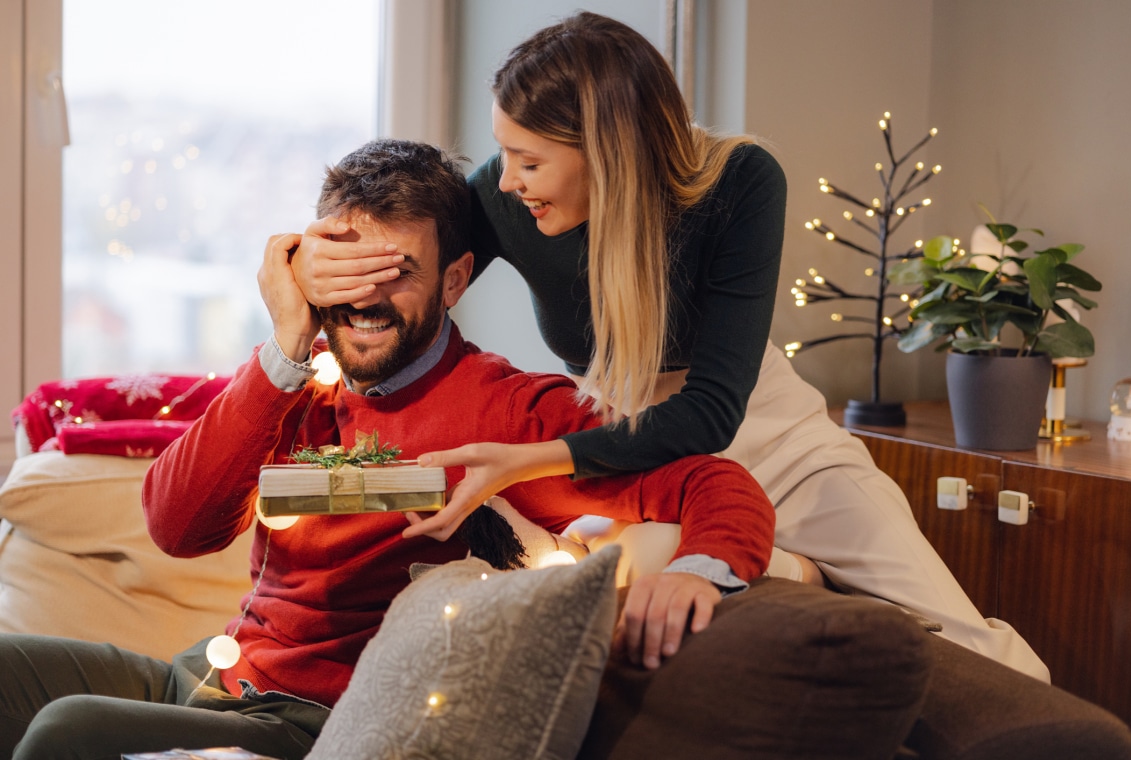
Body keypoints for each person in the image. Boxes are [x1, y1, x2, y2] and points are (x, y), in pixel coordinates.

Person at [291, 11, 1049, 681]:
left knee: (956, 634)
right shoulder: (503, 197)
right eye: (504, 153)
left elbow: (713, 412)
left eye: (530, 160)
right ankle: (787, 572)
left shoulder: (740, 182)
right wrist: (294, 263)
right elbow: (408, 268)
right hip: (632, 455)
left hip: (764, 428)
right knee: (612, 598)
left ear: (604, 148)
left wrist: (533, 459)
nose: (507, 181)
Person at [0, 139, 772, 760]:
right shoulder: (297, 378)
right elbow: (177, 524)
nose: (365, 297)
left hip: (303, 726)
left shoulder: (503, 409)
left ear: (454, 280)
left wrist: (699, 570)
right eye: (343, 267)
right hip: (207, 675)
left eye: (396, 272)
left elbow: (708, 481)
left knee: (72, 733)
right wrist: (284, 343)